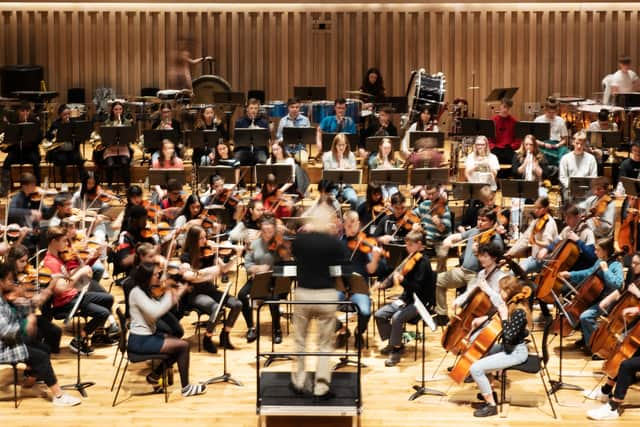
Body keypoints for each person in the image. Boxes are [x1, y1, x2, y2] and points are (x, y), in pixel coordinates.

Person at [0, 263, 82, 406]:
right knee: (40, 356)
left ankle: (31, 377)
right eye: (9, 280)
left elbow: (24, 309)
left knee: (44, 348)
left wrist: (27, 310)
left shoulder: (3, 298)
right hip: (4, 346)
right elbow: (6, 332)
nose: (12, 283)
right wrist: (24, 324)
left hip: (10, 341)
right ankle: (59, 396)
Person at [127, 261, 207, 397]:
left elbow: (157, 307)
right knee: (183, 346)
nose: (159, 277)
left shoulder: (144, 290)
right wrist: (172, 294)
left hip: (147, 336)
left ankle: (155, 375)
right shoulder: (137, 293)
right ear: (147, 276)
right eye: (156, 275)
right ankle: (186, 388)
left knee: (176, 343)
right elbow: (156, 312)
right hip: (140, 341)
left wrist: (176, 292)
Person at [290, 205, 345, 398]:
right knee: (324, 344)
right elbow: (342, 261)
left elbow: (294, 253)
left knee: (301, 341)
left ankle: (299, 381)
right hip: (325, 296)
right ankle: (321, 386)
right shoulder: (333, 242)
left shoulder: (301, 240)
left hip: (304, 294)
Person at [583, 253, 640, 420]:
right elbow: (622, 290)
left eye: (637, 264)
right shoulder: (635, 277)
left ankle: (614, 407)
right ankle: (605, 392)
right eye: (633, 263)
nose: (634, 267)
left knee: (627, 365)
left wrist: (637, 309)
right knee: (621, 356)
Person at [42, 226, 114, 356]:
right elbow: (61, 288)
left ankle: (97, 335)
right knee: (103, 313)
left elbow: (68, 276)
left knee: (108, 299)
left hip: (74, 296)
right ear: (54, 241)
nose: (67, 244)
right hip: (66, 301)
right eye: (64, 241)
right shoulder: (51, 262)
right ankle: (79, 340)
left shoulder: (57, 257)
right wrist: (81, 272)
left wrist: (85, 264)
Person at [467, 276, 532, 417]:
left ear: (508, 291)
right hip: (509, 348)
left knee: (475, 368)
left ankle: (491, 406)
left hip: (516, 352)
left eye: (501, 290)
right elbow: (498, 300)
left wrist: (503, 318)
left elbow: (509, 337)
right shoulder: (511, 304)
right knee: (482, 351)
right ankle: (489, 393)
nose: (499, 292)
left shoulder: (519, 312)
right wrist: (487, 291)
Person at [374, 230, 434, 366]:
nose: (407, 248)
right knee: (380, 315)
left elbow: (417, 288)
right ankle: (395, 342)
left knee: (397, 318)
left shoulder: (424, 263)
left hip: (420, 302)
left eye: (410, 245)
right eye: (406, 245)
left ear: (419, 244)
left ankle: (396, 349)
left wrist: (402, 281)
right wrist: (384, 284)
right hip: (406, 298)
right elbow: (396, 273)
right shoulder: (409, 258)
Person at [434, 208, 503, 324]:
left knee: (470, 300)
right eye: (478, 219)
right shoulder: (475, 231)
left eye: (484, 220)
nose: (479, 222)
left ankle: (465, 322)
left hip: (477, 276)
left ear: (492, 222)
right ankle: (442, 314)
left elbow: (495, 258)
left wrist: (478, 252)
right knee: (438, 280)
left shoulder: (494, 238)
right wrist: (449, 239)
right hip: (462, 271)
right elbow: (459, 236)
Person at [558, 237, 623, 356]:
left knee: (585, 316)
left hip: (608, 301)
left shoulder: (616, 265)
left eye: (598, 250)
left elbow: (617, 284)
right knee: (575, 312)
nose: (595, 252)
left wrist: (606, 270)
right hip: (595, 297)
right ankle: (587, 339)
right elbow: (588, 273)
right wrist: (570, 274)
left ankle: (597, 345)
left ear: (605, 251)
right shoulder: (599, 261)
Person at [180, 225, 240, 352]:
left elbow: (224, 269)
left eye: (205, 237)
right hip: (195, 293)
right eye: (201, 238)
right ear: (193, 240)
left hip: (209, 289)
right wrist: (209, 271)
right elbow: (188, 276)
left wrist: (236, 257)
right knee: (216, 308)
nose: (205, 240)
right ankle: (207, 338)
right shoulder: (186, 256)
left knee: (237, 304)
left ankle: (225, 334)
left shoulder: (210, 252)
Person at [237, 218, 286, 343]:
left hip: (275, 278)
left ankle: (277, 330)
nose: (267, 234)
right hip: (258, 277)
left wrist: (281, 248)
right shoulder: (254, 244)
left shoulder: (279, 243)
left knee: (274, 298)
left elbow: (286, 261)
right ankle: (251, 328)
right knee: (242, 295)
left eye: (270, 231)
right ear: (261, 231)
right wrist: (257, 268)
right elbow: (247, 264)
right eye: (265, 231)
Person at [338, 211, 381, 349]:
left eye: (354, 224)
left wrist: (375, 258)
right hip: (340, 286)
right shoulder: (338, 244)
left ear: (358, 224)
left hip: (359, 288)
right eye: (348, 224)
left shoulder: (365, 244)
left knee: (365, 312)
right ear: (343, 225)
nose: (351, 227)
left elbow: (371, 270)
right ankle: (342, 330)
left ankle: (358, 332)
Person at [505, 196, 558, 274]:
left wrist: (535, 241)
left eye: (539, 208)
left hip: (545, 260)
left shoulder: (549, 223)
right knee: (514, 270)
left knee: (514, 273)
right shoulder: (536, 221)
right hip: (534, 258)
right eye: (535, 208)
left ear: (546, 208)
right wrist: (511, 252)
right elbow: (524, 238)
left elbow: (549, 244)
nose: (536, 211)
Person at [1, 101, 42, 193]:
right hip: (16, 151)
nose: (25, 113)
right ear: (19, 111)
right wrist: (5, 147)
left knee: (36, 161)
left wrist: (31, 140)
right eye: (23, 111)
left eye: (27, 111)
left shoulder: (35, 122)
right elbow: (8, 139)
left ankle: (37, 186)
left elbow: (40, 138)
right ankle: (6, 187)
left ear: (30, 112)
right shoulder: (13, 122)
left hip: (30, 151)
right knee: (6, 163)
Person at [415, 183, 452, 272]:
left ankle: (440, 276)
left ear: (439, 192)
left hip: (440, 239)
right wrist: (415, 224)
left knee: (442, 255)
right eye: (428, 194)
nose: (431, 197)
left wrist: (438, 223)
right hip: (425, 238)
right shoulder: (424, 204)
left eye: (433, 194)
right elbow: (413, 215)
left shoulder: (444, 208)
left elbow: (443, 230)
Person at [46, 104, 86, 184]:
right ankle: (64, 183)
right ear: (60, 115)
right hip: (59, 151)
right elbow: (48, 137)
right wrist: (53, 134)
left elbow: (79, 138)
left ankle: (84, 182)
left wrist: (77, 136)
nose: (67, 116)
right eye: (65, 114)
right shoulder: (55, 124)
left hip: (72, 150)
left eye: (68, 114)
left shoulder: (73, 123)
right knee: (62, 160)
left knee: (79, 160)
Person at [100, 101, 134, 187]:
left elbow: (129, 139)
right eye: (116, 109)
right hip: (110, 148)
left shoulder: (127, 122)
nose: (118, 111)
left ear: (122, 110)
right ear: (112, 110)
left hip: (123, 148)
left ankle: (127, 185)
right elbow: (104, 139)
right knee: (110, 164)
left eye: (120, 109)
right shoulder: (107, 122)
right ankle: (110, 183)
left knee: (124, 162)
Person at [322, 133, 358, 210]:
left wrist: (346, 165)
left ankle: (351, 219)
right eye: (339, 145)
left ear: (346, 145)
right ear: (335, 145)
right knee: (332, 201)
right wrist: (340, 166)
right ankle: (338, 219)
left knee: (354, 200)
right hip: (332, 187)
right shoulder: (327, 156)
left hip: (346, 186)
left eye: (343, 145)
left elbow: (354, 173)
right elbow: (327, 174)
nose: (341, 147)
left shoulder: (351, 155)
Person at [558, 130, 597, 201]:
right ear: (573, 142)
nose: (579, 146)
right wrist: (571, 187)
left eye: (581, 144)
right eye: (577, 143)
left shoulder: (591, 158)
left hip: (586, 189)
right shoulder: (565, 158)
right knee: (569, 198)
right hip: (570, 188)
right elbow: (563, 177)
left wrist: (585, 188)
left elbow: (593, 177)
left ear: (585, 144)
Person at [234, 98, 269, 165]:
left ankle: (258, 175)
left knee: (262, 159)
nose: (253, 110)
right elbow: (236, 139)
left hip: (259, 150)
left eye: (256, 108)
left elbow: (267, 139)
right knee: (236, 160)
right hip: (244, 150)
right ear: (247, 109)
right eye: (251, 108)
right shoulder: (240, 122)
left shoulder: (263, 122)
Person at [276, 97, 312, 162]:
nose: (295, 109)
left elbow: (308, 137)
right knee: (285, 161)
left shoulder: (305, 120)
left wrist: (298, 141)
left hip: (300, 149)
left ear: (299, 108)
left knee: (303, 161)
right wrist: (287, 141)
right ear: (288, 108)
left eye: (297, 107)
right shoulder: (283, 121)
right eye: (292, 107)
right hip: (286, 150)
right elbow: (279, 137)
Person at [535, 99, 569, 167]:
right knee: (538, 153)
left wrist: (557, 145)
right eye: (549, 112)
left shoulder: (560, 120)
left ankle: (559, 172)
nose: (551, 114)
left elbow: (565, 139)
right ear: (545, 110)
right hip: (543, 145)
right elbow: (534, 139)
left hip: (556, 145)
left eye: (553, 112)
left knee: (565, 152)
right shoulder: (538, 120)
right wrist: (544, 144)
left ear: (556, 111)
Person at [490, 98, 520, 170]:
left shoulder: (514, 122)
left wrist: (512, 147)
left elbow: (518, 140)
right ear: (500, 106)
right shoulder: (493, 120)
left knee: (517, 161)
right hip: (495, 149)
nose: (505, 110)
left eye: (508, 108)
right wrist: (492, 147)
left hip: (508, 149)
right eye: (504, 107)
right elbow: (488, 139)